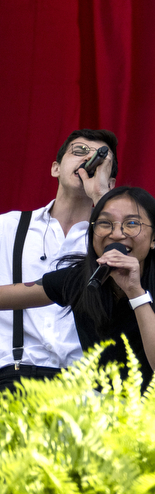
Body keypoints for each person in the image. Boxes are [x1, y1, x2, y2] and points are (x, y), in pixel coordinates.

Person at [0, 186, 155, 385]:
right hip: (104, 408)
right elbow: (11, 295)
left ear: (154, 239)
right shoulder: (81, 278)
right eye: (105, 223)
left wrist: (135, 292)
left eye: (132, 223)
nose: (116, 234)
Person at [0, 129, 117, 386]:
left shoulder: (113, 241)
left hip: (85, 385)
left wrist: (101, 197)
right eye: (78, 152)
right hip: (14, 374)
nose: (88, 161)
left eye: (100, 159)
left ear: (110, 184)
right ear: (55, 168)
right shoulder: (7, 227)